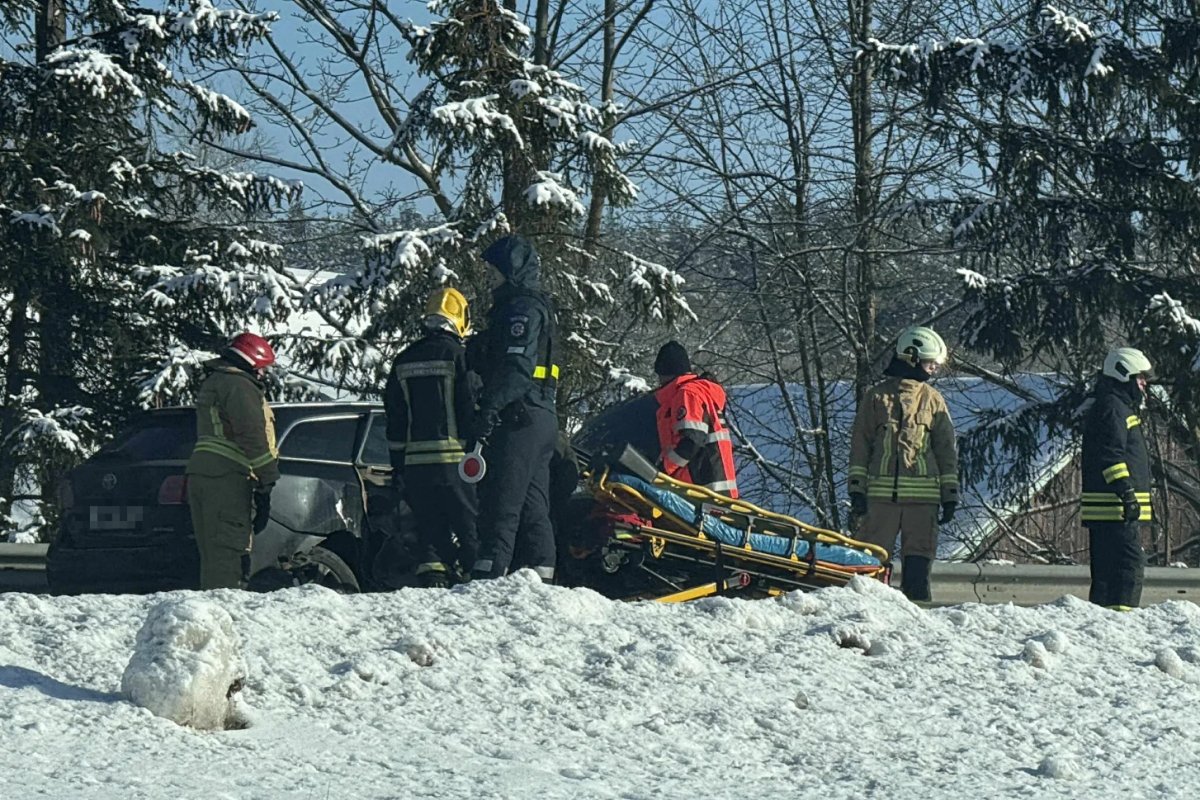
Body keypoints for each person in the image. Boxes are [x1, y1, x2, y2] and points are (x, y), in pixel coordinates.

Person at [469, 235, 559, 582]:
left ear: (512, 272)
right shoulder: (535, 307)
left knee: (500, 502)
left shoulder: (520, 310)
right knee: (533, 506)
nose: (489, 278)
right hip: (541, 416)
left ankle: (487, 580)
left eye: (494, 271)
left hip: (519, 415)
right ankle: (542, 579)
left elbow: (517, 368)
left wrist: (488, 408)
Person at [847, 325, 958, 602]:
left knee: (918, 570)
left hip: (923, 503)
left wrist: (950, 494)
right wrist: (857, 489)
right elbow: (860, 446)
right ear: (912, 357)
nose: (933, 368)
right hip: (881, 502)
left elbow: (946, 451)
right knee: (870, 564)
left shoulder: (933, 400)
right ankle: (868, 615)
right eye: (930, 362)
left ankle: (918, 616)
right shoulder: (876, 398)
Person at [385, 287, 479, 588]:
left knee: (429, 531)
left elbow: (395, 419)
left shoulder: (403, 360)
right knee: (470, 528)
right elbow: (471, 407)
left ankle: (433, 582)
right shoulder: (461, 357)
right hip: (457, 464)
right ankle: (478, 583)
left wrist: (398, 464)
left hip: (416, 467)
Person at [186, 332, 279, 589]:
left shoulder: (216, 381)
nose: (263, 374)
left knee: (213, 558)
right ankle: (226, 611)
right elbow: (251, 435)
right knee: (229, 559)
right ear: (251, 361)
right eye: (262, 368)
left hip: (204, 476)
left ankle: (212, 607)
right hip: (227, 480)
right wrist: (268, 480)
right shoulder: (239, 385)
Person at [1081, 346, 1154, 611]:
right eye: (1140, 377)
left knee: (1107, 577)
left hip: (1112, 509)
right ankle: (1122, 622)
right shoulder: (1113, 408)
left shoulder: (1113, 406)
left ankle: (1104, 622)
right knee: (1127, 569)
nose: (1144, 384)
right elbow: (1111, 456)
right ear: (1124, 374)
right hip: (1115, 508)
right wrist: (1127, 493)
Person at [651, 341, 738, 497]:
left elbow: (692, 441)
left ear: (663, 373)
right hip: (715, 490)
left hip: (699, 489)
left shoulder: (686, 394)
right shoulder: (701, 392)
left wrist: (662, 471)